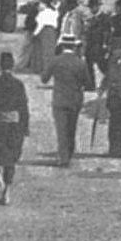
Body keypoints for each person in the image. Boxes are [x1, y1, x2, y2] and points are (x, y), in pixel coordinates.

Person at [0, 51, 30, 203]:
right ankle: (6, 192)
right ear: (13, 66)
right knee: (11, 159)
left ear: (0, 65)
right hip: (14, 125)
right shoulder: (18, 84)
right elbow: (24, 108)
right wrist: (25, 126)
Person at [42, 33, 91, 168]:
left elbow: (44, 78)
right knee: (71, 128)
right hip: (75, 99)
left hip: (59, 99)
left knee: (61, 129)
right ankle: (69, 153)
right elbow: (88, 83)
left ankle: (64, 157)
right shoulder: (80, 62)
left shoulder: (55, 61)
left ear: (62, 45)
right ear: (74, 46)